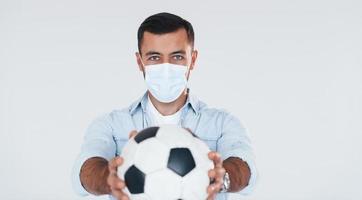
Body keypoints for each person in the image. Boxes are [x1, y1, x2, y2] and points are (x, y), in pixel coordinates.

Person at [72, 12, 257, 200]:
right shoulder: (111, 124)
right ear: (140, 61)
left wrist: (224, 177)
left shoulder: (222, 123)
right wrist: (107, 178)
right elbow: (83, 172)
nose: (166, 67)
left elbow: (247, 170)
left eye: (177, 57)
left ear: (192, 60)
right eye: (154, 57)